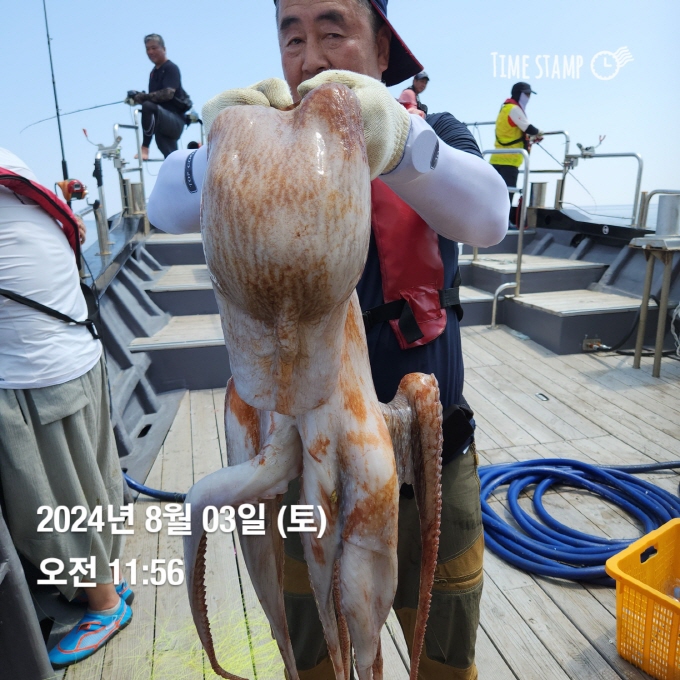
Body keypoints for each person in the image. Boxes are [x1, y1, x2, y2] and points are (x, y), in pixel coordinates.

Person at [147, 1, 509, 678]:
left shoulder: (429, 135)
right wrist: (212, 145)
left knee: (444, 651)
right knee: (311, 658)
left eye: (333, 32)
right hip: (301, 459)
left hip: (431, 455)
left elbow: (490, 216)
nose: (310, 57)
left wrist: (398, 144)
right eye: (293, 37)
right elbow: (164, 203)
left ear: (381, 54)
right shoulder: (259, 140)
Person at [0, 149, 133, 670]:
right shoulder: (15, 165)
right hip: (81, 351)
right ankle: (106, 580)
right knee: (91, 484)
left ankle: (101, 606)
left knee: (45, 503)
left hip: (30, 375)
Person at [127, 33, 192, 159]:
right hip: (163, 121)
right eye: (147, 49)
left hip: (175, 120)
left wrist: (142, 97)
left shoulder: (171, 68)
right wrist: (136, 97)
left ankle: (144, 148)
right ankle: (178, 173)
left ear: (164, 49)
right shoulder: (153, 73)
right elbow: (154, 98)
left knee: (148, 106)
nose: (150, 51)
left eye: (154, 48)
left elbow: (167, 94)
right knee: (171, 157)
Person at [490, 81, 543, 226]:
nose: (528, 97)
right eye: (526, 94)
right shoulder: (514, 109)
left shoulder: (504, 108)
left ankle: (493, 222)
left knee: (495, 194)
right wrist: (539, 133)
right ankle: (504, 224)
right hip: (510, 160)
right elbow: (529, 128)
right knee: (507, 194)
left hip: (496, 158)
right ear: (519, 94)